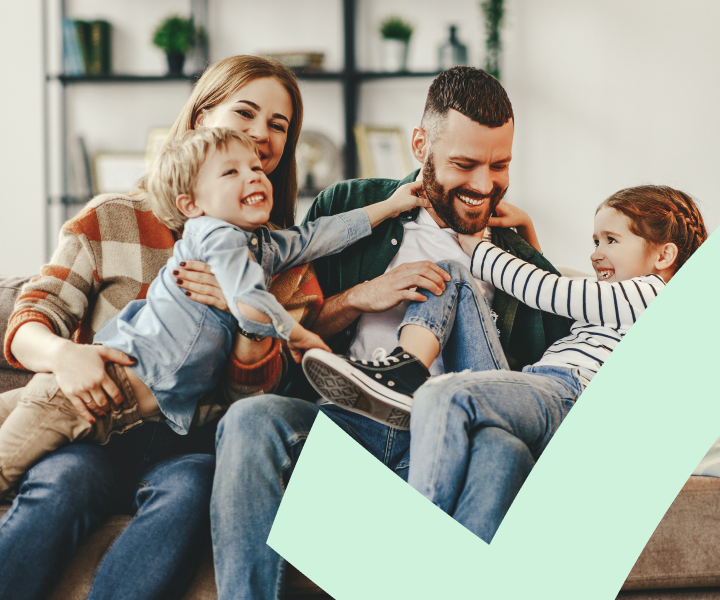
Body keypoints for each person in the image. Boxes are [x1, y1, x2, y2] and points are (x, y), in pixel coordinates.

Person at [210, 66, 572, 599]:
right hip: (344, 423)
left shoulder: (513, 250)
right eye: (464, 164)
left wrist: (534, 250)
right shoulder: (351, 204)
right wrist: (359, 297)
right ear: (421, 145)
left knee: (505, 450)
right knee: (249, 419)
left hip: (446, 440)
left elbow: (556, 377)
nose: (483, 185)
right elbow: (289, 334)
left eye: (500, 166)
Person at [0, 55, 316, 600]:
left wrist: (245, 313)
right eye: (245, 112)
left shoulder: (277, 259)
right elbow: (33, 316)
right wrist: (63, 355)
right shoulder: (113, 215)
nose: (261, 134)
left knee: (191, 491)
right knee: (63, 483)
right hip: (96, 427)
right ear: (199, 118)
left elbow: (251, 399)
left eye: (278, 125)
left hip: (186, 443)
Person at [0, 126, 426, 493]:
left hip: (115, 409)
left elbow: (318, 234)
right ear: (192, 205)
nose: (254, 175)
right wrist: (301, 336)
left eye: (257, 167)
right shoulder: (215, 235)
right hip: (92, 392)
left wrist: (391, 205)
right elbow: (248, 301)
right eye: (232, 171)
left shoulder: (259, 244)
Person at [404, 184, 708, 532]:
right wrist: (528, 230)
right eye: (596, 241)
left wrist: (477, 246)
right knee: (498, 451)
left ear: (663, 256)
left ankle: (414, 545)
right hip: (542, 389)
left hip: (571, 395)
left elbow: (546, 291)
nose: (595, 253)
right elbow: (556, 299)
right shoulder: (614, 301)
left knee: (443, 394)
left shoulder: (652, 293)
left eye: (611, 240)